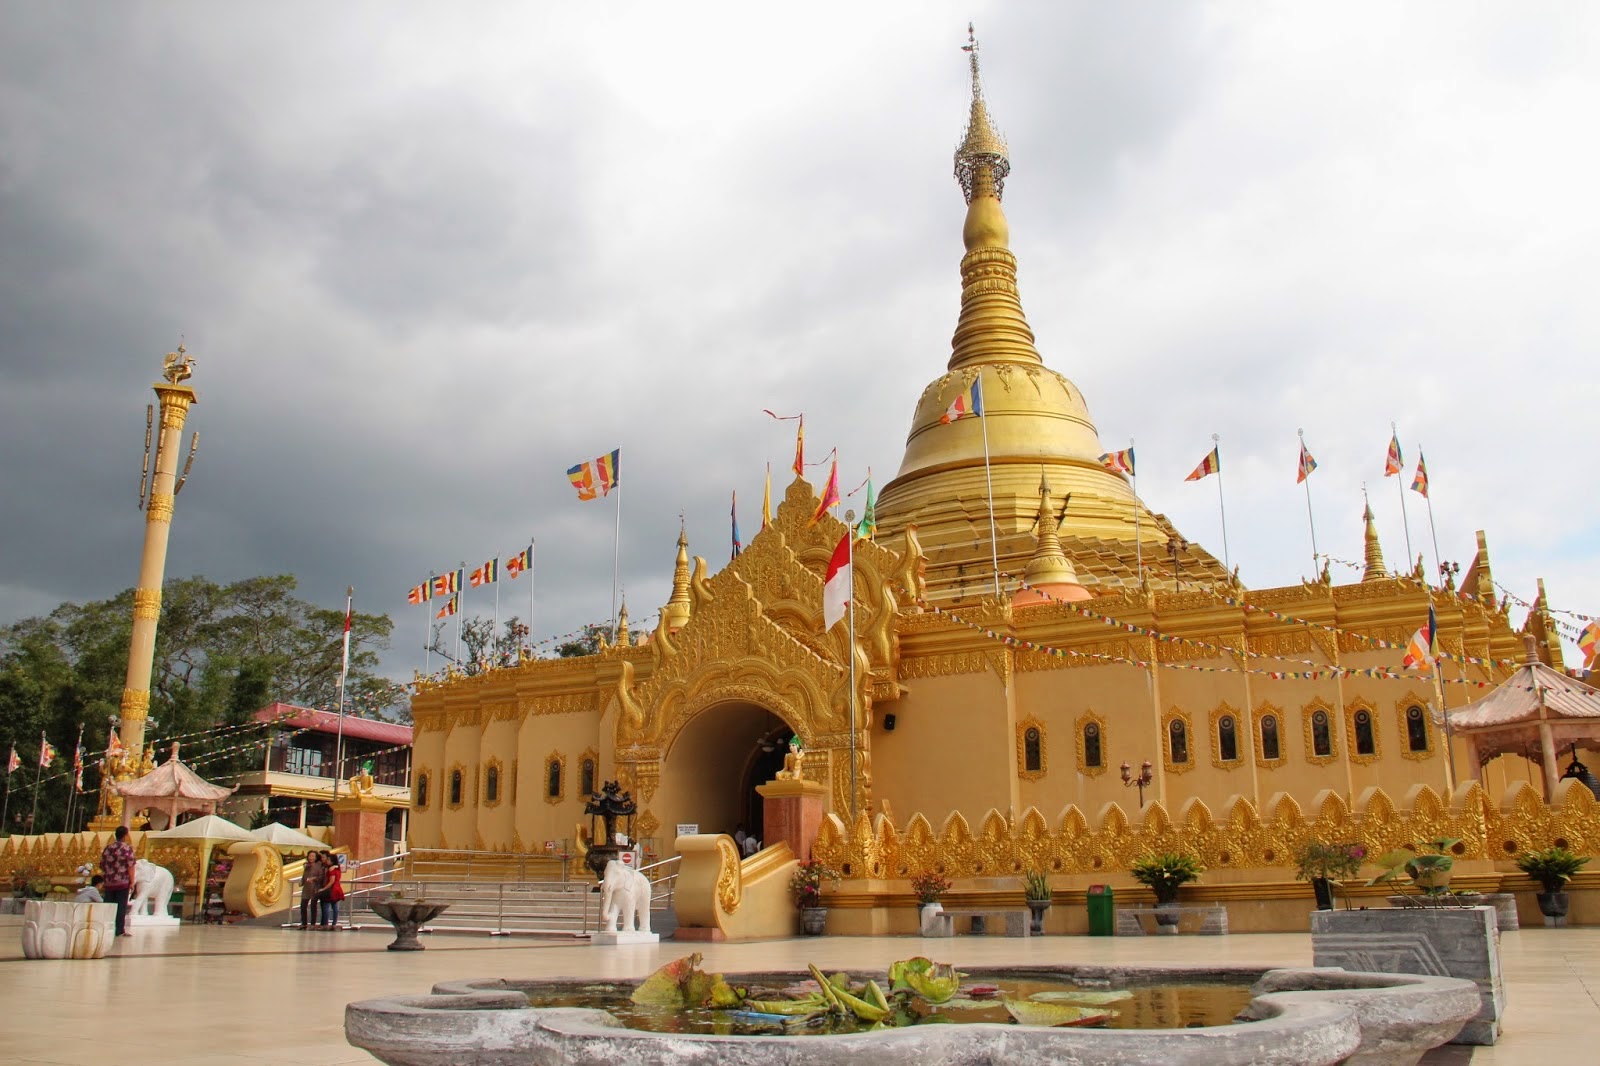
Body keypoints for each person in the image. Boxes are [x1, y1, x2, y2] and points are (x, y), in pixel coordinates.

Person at [100, 826, 136, 936]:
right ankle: (119, 929)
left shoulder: (108, 848)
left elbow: (102, 865)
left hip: (109, 881)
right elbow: (131, 866)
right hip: (122, 882)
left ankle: (106, 926)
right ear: (125, 835)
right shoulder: (126, 848)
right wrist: (132, 881)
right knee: (121, 906)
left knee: (109, 905)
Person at [299, 851, 325, 930]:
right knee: (303, 905)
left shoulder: (319, 866)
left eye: (313, 856)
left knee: (313, 906)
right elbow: (304, 875)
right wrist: (302, 882)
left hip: (314, 887)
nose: (311, 858)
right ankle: (304, 923)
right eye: (310, 856)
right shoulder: (307, 865)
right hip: (306, 887)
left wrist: (314, 879)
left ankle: (313, 923)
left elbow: (321, 877)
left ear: (316, 857)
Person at [321, 852, 345, 930]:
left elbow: (331, 881)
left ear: (332, 861)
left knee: (326, 907)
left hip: (331, 889)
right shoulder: (337, 868)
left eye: (328, 859)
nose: (326, 861)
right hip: (337, 888)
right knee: (335, 907)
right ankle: (334, 923)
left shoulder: (331, 870)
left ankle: (325, 924)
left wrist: (323, 889)